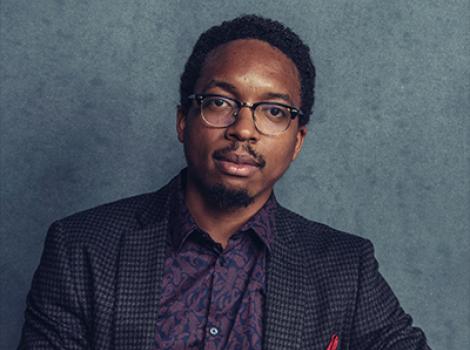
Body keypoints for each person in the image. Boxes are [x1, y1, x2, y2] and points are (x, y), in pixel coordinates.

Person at [18, 15, 431, 350]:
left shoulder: (344, 267)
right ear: (183, 120)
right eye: (220, 102)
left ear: (297, 140)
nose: (244, 130)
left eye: (273, 111)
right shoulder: (81, 250)